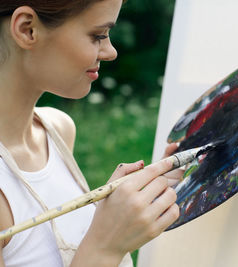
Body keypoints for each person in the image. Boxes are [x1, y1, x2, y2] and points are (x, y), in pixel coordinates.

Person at [0, 0, 181, 266]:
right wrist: (105, 247)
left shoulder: (58, 130)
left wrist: (146, 197)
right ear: (27, 29)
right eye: (98, 35)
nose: (111, 52)